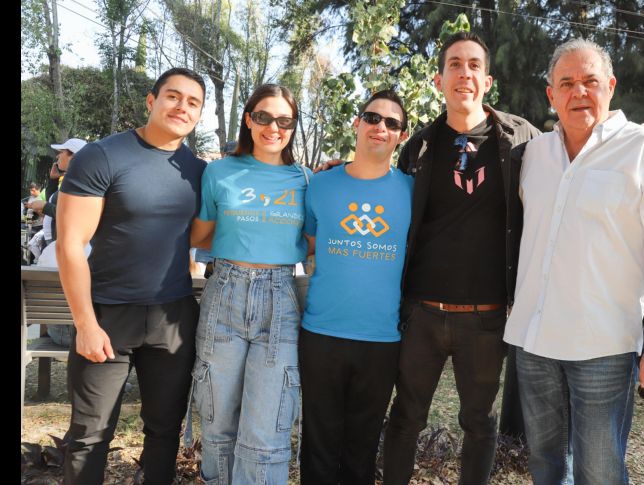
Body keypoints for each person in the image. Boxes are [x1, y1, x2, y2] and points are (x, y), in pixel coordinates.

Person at [503, 38, 644, 484]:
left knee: (600, 472)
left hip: (602, 345)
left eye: (590, 81)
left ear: (610, 86)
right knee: (546, 465)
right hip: (534, 341)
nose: (578, 92)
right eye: (566, 83)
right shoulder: (533, 155)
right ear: (551, 94)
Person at [381, 31, 540, 485]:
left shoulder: (522, 139)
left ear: (487, 80)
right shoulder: (422, 145)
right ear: (439, 79)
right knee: (405, 418)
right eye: (455, 64)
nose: (464, 73)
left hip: (487, 318)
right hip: (423, 313)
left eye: (473, 65)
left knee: (480, 423)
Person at [56, 67, 207, 484]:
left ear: (199, 115)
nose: (182, 107)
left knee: (163, 432)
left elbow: (197, 236)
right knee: (89, 435)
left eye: (193, 102)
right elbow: (70, 243)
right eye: (173, 96)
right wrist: (85, 323)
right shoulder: (102, 155)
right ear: (151, 100)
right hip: (106, 316)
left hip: (172, 317)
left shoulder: (196, 170)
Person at [189, 83, 310, 485]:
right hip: (224, 292)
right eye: (263, 117)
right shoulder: (219, 172)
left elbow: (313, 244)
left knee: (266, 429)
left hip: (280, 298)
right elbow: (200, 236)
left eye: (284, 120)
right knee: (218, 419)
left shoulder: (305, 180)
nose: (273, 127)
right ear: (248, 118)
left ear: (293, 126)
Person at [299, 90, 413, 484]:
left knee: (361, 450)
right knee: (318, 445)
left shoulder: (413, 192)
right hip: (321, 335)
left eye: (392, 123)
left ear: (401, 135)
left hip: (381, 340)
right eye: (372, 118)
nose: (380, 127)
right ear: (357, 123)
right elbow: (308, 245)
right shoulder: (320, 184)